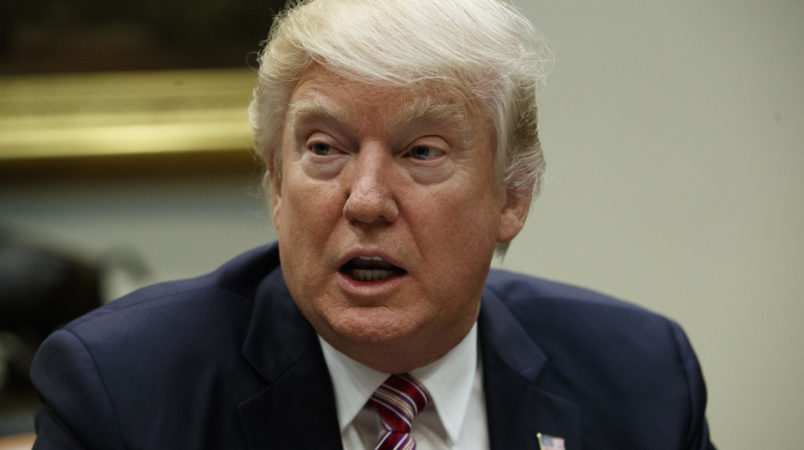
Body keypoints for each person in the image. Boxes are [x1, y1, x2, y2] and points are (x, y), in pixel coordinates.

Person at [29, 0, 715, 449]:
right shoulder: (121, 390)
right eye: (324, 148)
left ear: (512, 198)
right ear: (276, 183)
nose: (365, 201)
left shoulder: (642, 379)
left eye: (422, 152)